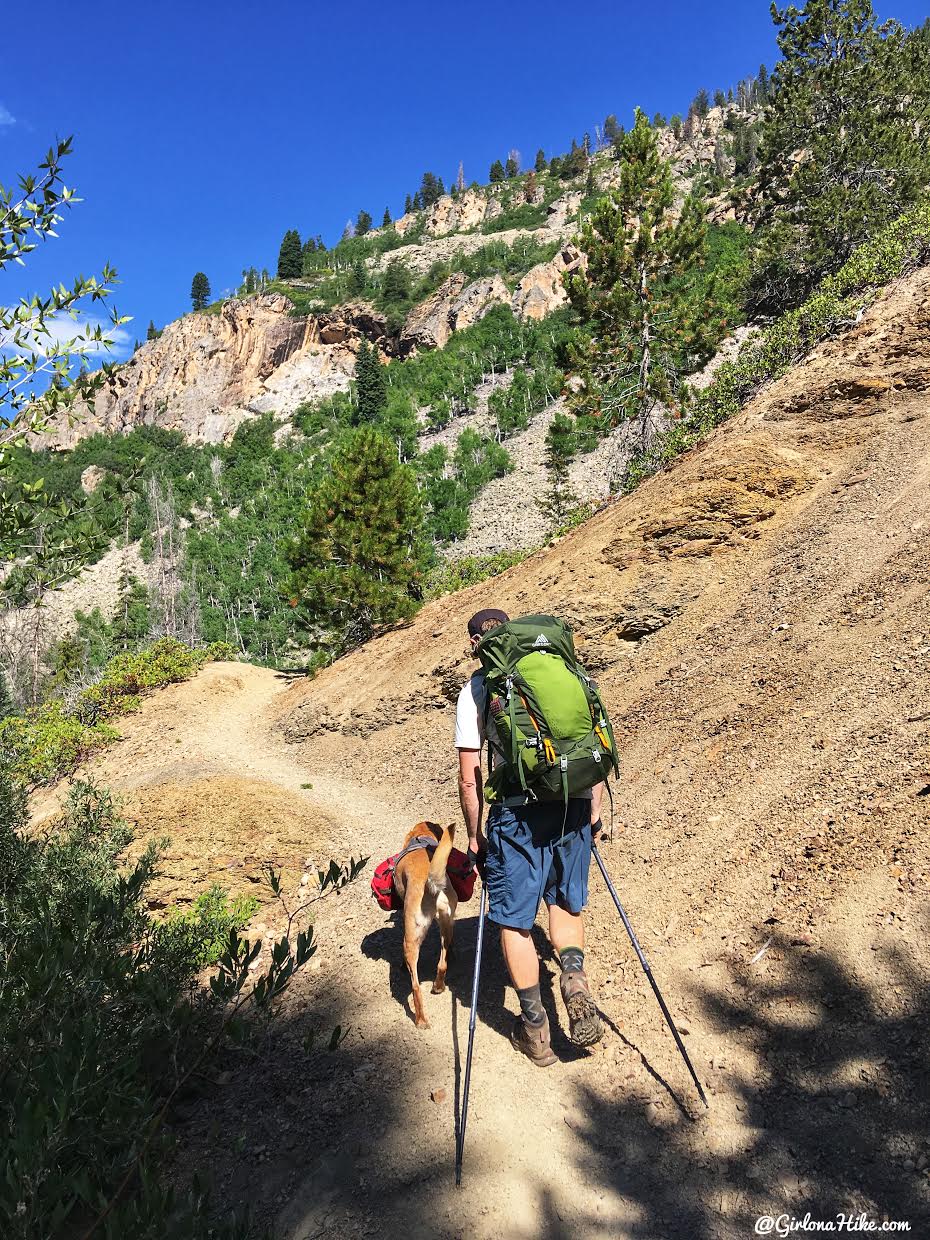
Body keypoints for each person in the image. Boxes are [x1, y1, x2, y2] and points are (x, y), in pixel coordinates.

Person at [454, 608, 604, 1067]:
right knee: (564, 904)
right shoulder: (564, 669)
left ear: (477, 644)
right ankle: (574, 978)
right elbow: (590, 745)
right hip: (571, 806)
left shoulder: (479, 688)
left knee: (516, 923)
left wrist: (477, 837)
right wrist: (592, 810)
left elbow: (469, 778)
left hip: (516, 818)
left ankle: (536, 1030)